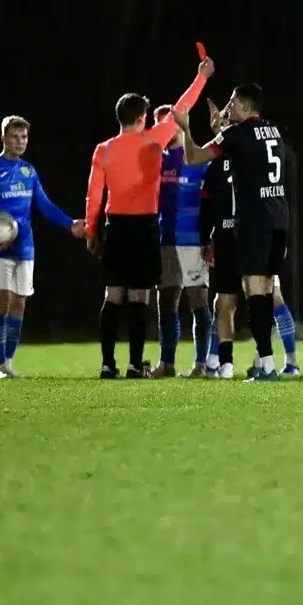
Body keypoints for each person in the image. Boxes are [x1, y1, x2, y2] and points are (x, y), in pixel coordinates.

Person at [84, 55, 214, 378]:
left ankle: (107, 365)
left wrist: (91, 231)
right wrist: (202, 76)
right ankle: (134, 364)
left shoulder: (103, 149)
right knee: (139, 296)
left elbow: (94, 196)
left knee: (113, 294)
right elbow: (182, 106)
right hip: (143, 227)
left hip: (115, 226)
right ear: (142, 117)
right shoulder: (153, 140)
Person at [182, 83, 290, 381]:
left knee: (255, 291)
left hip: (254, 221)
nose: (228, 107)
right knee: (266, 291)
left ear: (244, 105)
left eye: (232, 102)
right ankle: (268, 362)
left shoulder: (237, 134)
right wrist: (222, 129)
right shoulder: (274, 131)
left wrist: (186, 129)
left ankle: (267, 365)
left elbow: (194, 158)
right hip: (279, 219)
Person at [0, 116, 85, 379]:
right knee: (1, 302)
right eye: (14, 136)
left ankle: (9, 361)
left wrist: (69, 224)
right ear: (4, 138)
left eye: (24, 137)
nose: (20, 141)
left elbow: (43, 205)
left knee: (19, 304)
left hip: (24, 246)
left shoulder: (29, 171)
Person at [151, 104, 212, 378]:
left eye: (165, 124)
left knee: (198, 300)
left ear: (178, 125)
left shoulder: (196, 159)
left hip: (193, 241)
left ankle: (201, 364)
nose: (161, 130)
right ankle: (167, 363)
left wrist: (209, 237)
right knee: (166, 301)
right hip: (166, 239)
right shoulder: (156, 161)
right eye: (157, 124)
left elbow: (211, 202)